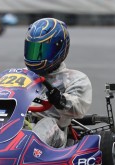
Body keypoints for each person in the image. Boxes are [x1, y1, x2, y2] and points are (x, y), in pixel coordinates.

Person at [24, 18, 92, 148]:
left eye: (42, 51)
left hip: (56, 132)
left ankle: (28, 149)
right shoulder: (22, 75)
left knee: (47, 122)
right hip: (20, 125)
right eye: (33, 50)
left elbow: (79, 108)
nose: (36, 56)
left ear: (59, 49)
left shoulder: (75, 78)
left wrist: (61, 100)